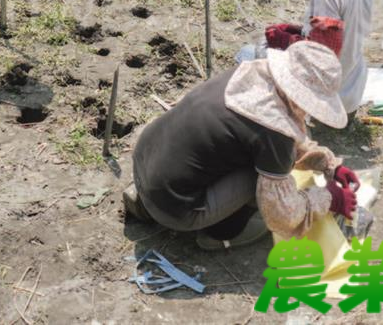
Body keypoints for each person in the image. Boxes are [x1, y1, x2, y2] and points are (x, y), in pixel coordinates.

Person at [125, 40, 360, 250]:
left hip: (145, 164)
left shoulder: (248, 74)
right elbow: (282, 214)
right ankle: (222, 233)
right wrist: (328, 197)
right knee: (264, 178)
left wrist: (327, 163)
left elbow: (270, 132)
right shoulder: (273, 132)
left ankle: (146, 202)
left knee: (255, 157)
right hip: (174, 206)